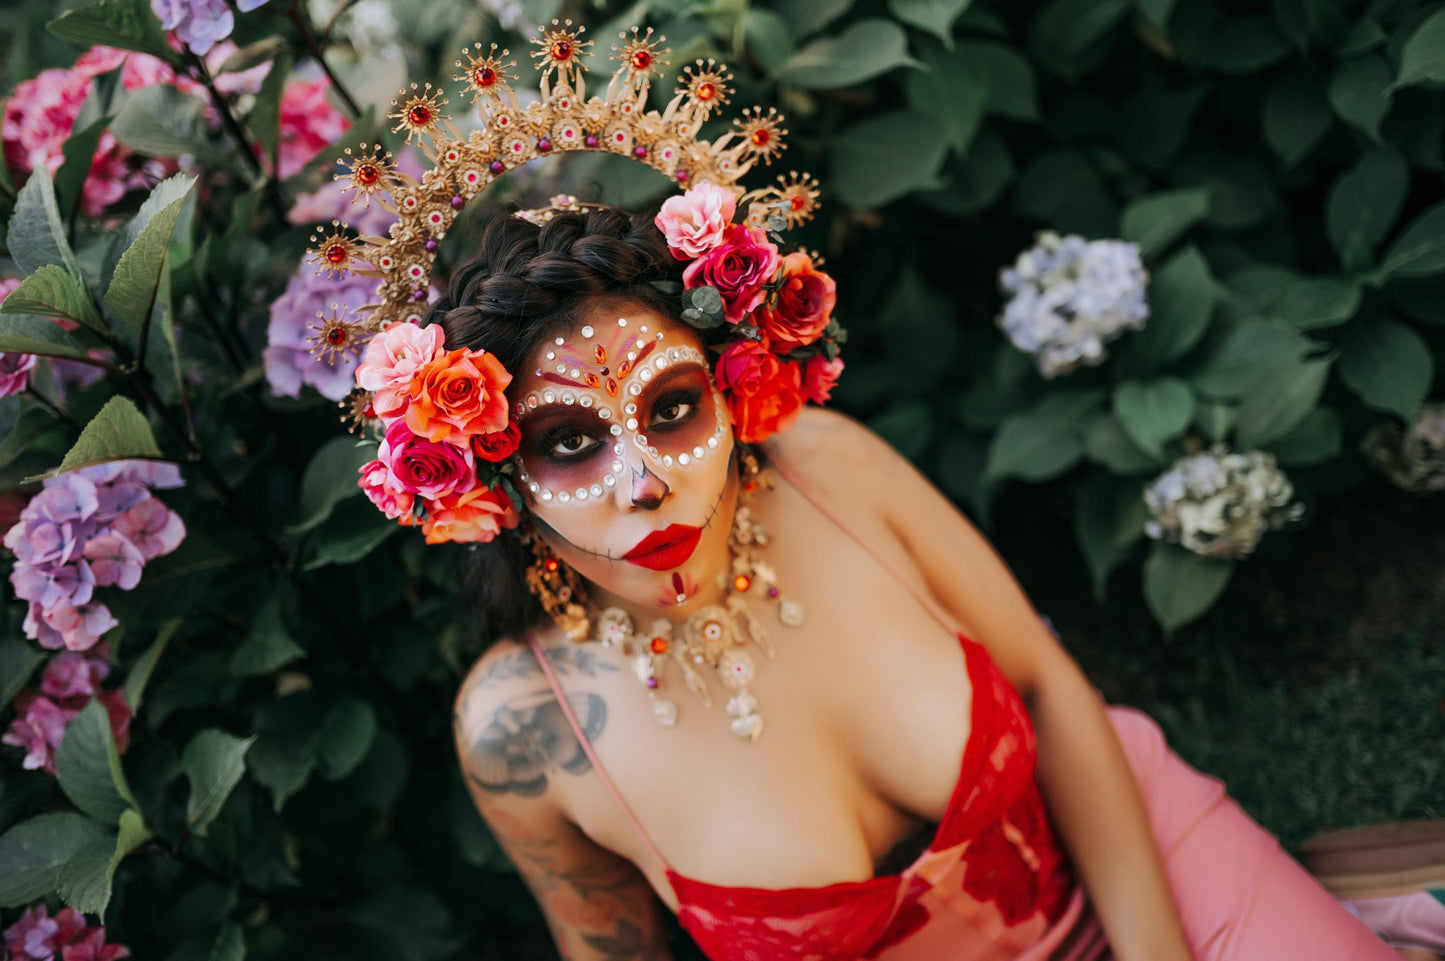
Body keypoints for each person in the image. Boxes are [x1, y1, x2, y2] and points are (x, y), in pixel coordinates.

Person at [419, 205, 1439, 961]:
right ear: (491, 465)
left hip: (1138, 867)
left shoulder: (825, 469)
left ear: (732, 385)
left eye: (673, 408)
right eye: (569, 440)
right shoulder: (525, 733)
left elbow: (1045, 683)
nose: (641, 483)